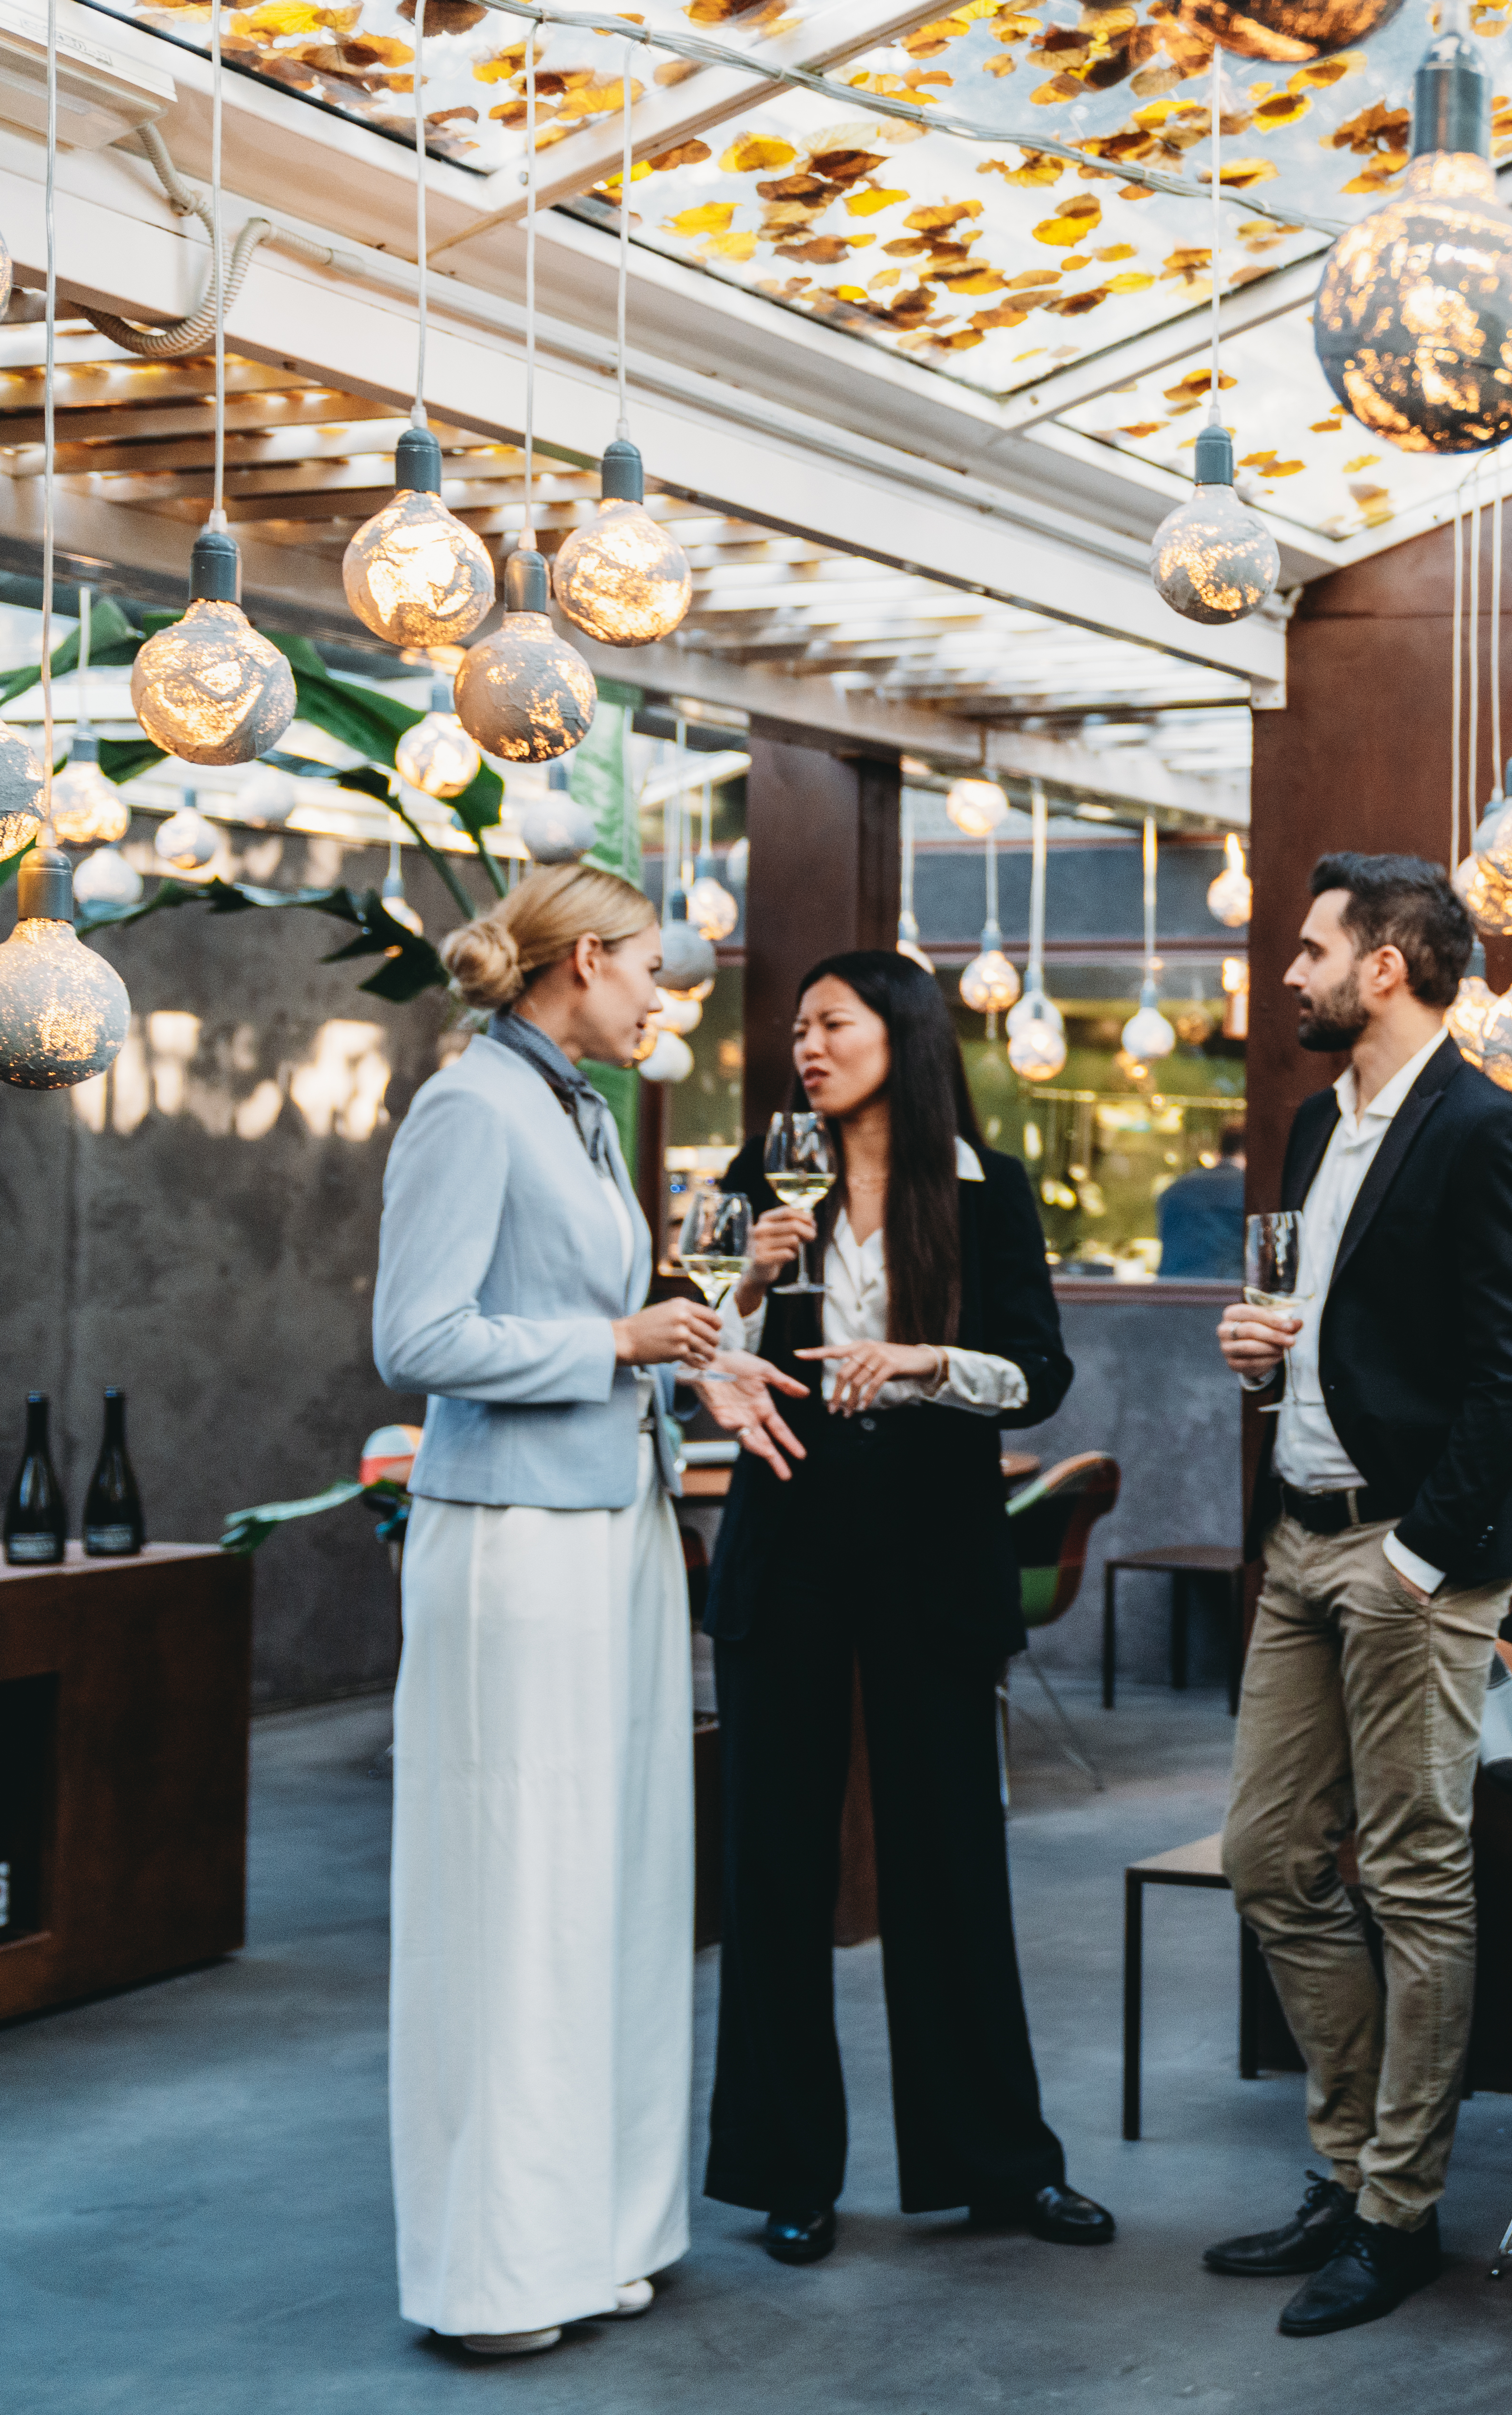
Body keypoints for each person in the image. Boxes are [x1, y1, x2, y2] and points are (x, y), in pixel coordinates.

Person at [372, 863, 791, 2356]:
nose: (663, 997)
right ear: (584, 960)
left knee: (614, 1883)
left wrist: (693, 1361)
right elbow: (417, 1336)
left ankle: (601, 2233)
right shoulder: (471, 1106)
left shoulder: (580, 1111)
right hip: (511, 1542)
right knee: (516, 1892)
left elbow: (588, 1323)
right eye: (651, 970)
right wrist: (618, 1340)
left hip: (612, 1525)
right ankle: (494, 2275)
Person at [691, 949, 1113, 2265]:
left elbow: (1040, 1373)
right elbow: (695, 1351)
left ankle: (999, 2163)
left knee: (952, 1857)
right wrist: (742, 1285)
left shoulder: (989, 1191)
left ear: (905, 1034)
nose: (806, 1047)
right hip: (789, 1540)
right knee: (776, 1862)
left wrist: (928, 1362)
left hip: (932, 1549)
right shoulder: (762, 1179)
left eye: (834, 1023)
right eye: (798, 1029)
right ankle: (786, 2170)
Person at [1205, 853, 1512, 2336]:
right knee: (1268, 1859)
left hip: (1411, 1555)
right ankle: (1352, 2166)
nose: (1288, 971)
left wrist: (1420, 1557)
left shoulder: (1488, 1132)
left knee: (1415, 1877)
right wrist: (1263, 1354)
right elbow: (1335, 1333)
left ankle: (1395, 2211)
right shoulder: (1315, 1122)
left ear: (1387, 967)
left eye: (1310, 949)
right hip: (1297, 1541)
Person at [1156, 1124, 1248, 1279]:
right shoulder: (1249, 1190)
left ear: (1219, 1153)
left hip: (1173, 1287)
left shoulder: (1176, 1188)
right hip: (1229, 1287)